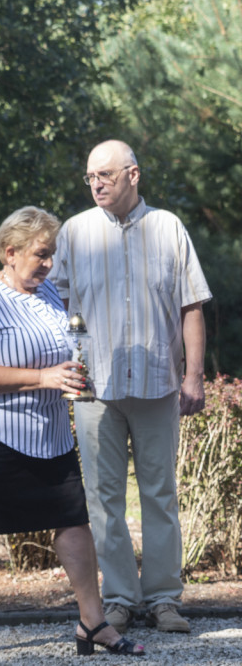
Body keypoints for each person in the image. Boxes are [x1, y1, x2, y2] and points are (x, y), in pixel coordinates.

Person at [0, 206, 143, 657]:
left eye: (52, 254)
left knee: (73, 522)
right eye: (41, 254)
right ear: (10, 252)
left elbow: (68, 351)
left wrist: (75, 375)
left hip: (48, 431)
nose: (49, 263)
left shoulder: (50, 293)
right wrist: (44, 378)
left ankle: (92, 624)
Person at [51, 140, 211, 634]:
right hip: (93, 386)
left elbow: (191, 307)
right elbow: (50, 305)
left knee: (161, 494)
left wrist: (194, 376)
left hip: (158, 384)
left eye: (105, 175)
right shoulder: (74, 232)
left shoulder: (168, 228)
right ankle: (119, 598)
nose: (96, 183)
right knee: (103, 498)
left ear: (133, 174)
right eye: (90, 177)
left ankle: (164, 599)